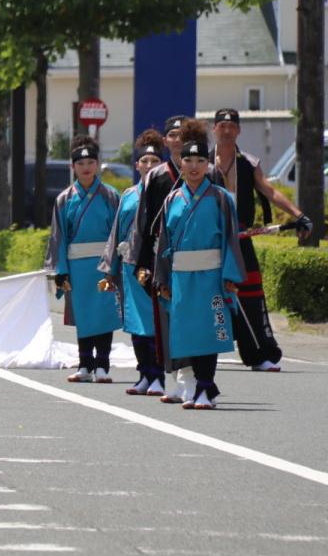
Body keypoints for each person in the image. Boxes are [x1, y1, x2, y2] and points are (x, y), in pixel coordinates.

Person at [128, 117, 225, 403]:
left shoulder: (212, 178)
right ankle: (180, 378)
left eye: (182, 135)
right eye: (172, 134)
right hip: (168, 260)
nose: (177, 139)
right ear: (166, 140)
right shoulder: (156, 177)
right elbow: (144, 224)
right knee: (170, 322)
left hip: (205, 264)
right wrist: (144, 262)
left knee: (202, 322)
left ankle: (200, 381)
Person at [211, 108, 314, 372]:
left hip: (240, 237)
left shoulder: (248, 162)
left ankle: (259, 354)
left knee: (250, 295)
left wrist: (298, 213)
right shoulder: (201, 162)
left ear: (238, 130)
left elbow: (268, 190)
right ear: (214, 129)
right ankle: (191, 356)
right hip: (208, 239)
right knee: (203, 295)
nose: (226, 130)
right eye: (221, 125)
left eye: (231, 126)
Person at [154, 137, 245, 410]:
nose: (194, 166)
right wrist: (163, 278)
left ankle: (206, 388)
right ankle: (201, 388)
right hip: (181, 277)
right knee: (187, 332)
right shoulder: (172, 199)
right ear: (180, 163)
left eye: (200, 161)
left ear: (208, 164)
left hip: (212, 277)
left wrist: (230, 276)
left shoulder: (221, 198)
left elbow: (231, 239)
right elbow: (164, 242)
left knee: (210, 330)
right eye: (188, 160)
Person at [45, 141, 121, 383]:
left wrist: (114, 266)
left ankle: (103, 365)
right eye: (81, 163)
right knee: (83, 313)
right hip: (77, 265)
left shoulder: (111, 195)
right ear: (73, 166)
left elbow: (118, 233)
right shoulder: (64, 199)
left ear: (97, 164)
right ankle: (85, 363)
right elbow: (58, 236)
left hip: (103, 264)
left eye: (90, 162)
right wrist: (60, 270)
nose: (86, 167)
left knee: (104, 313)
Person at [99, 131, 166, 396]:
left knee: (154, 324)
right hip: (129, 266)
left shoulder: (166, 193)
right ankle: (144, 374)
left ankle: (159, 375)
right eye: (144, 161)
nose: (148, 165)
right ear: (136, 165)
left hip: (152, 265)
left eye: (154, 160)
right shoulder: (128, 194)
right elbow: (116, 232)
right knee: (135, 325)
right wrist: (110, 268)